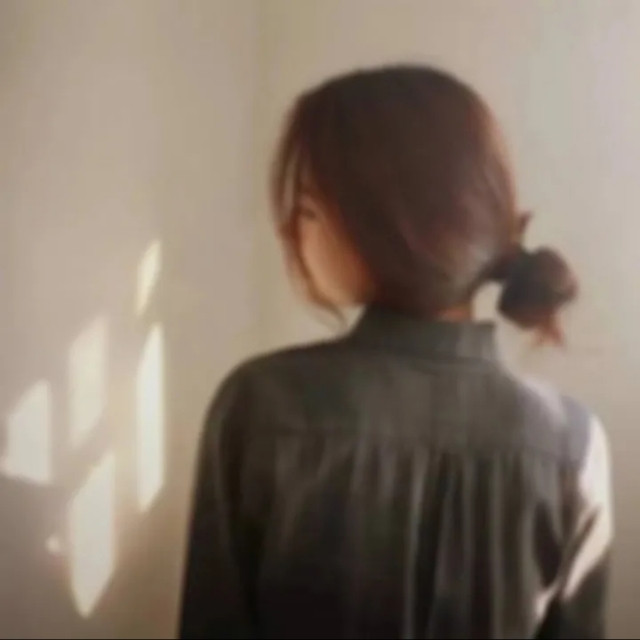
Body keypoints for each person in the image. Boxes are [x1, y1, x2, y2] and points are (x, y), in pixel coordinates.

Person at [180, 65, 612, 639]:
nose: (290, 232)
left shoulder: (261, 405)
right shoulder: (573, 443)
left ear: (379, 226)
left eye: (307, 208)